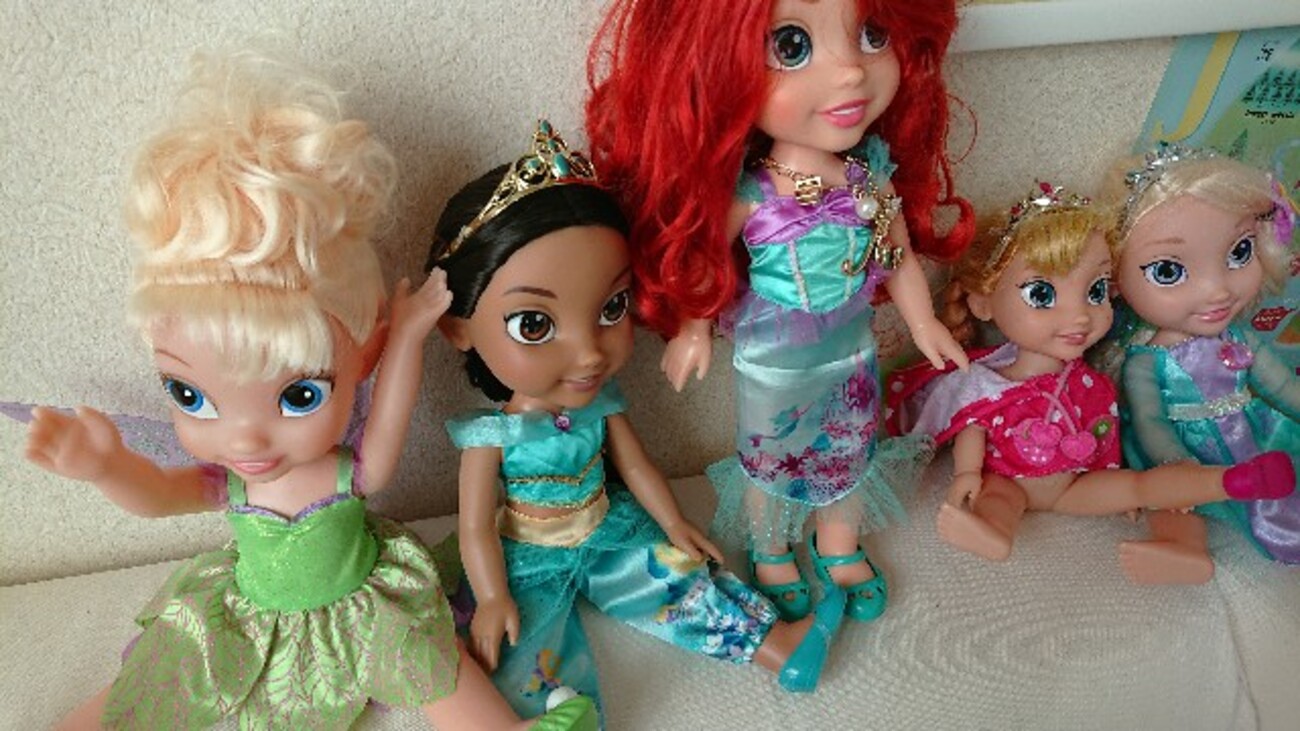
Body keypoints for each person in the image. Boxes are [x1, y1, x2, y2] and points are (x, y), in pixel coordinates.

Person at [24, 49, 595, 731]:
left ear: (366, 354)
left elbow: (387, 422)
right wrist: (105, 467)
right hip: (250, 613)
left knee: (434, 661)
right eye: (190, 395)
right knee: (160, 672)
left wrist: (408, 336)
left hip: (364, 605)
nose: (244, 437)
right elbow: (158, 496)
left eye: (299, 397)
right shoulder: (229, 482)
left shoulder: (349, 472)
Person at [433, 121, 847, 720]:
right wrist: (493, 594)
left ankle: (780, 646)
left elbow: (637, 466)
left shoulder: (602, 403)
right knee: (520, 643)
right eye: (534, 324)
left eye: (611, 307)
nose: (589, 353)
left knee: (680, 578)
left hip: (609, 528)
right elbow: (475, 526)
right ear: (458, 328)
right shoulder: (491, 435)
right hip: (528, 553)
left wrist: (673, 521)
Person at [888, 182, 1294, 581]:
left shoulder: (1091, 382)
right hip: (1010, 482)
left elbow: (1104, 430)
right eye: (1042, 295)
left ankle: (1231, 481)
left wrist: (1112, 476)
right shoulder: (985, 381)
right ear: (982, 302)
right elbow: (972, 426)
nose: (1080, 316)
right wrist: (966, 474)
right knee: (999, 500)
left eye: (1095, 291)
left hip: (1075, 486)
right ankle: (992, 531)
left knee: (1140, 486)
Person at [1105, 144, 1300, 567]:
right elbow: (1151, 421)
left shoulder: (1239, 337)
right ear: (1115, 276)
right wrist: (1178, 465)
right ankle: (1184, 550)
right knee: (1173, 504)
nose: (1218, 290)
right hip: (1185, 450)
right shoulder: (1147, 359)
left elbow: (1281, 385)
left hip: (1255, 433)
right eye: (1168, 271)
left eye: (1239, 252)